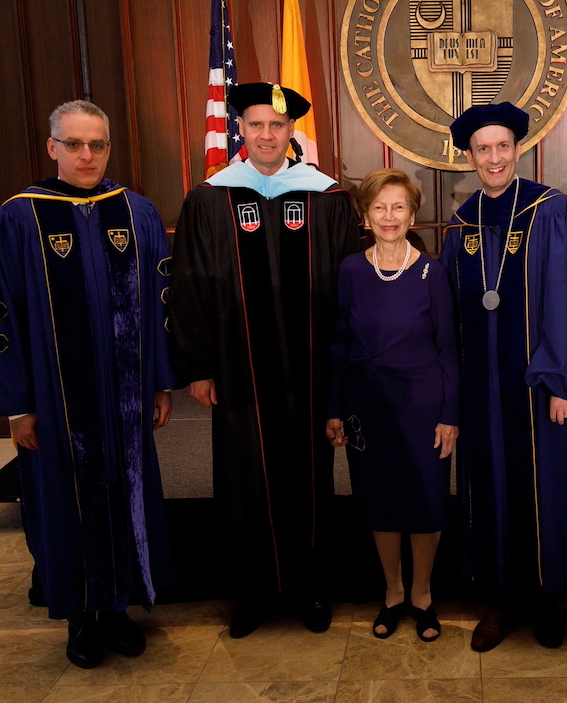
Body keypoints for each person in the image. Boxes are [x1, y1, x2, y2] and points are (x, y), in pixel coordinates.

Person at [0, 100, 176, 669]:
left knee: (124, 491)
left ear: (109, 147)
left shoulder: (136, 212)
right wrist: (15, 406)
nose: (87, 155)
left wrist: (159, 382)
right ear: (52, 147)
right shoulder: (18, 217)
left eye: (98, 144)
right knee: (65, 501)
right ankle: (80, 618)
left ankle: (118, 610)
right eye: (75, 144)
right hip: (55, 404)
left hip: (125, 397)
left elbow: (161, 305)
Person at [169, 82, 362, 638]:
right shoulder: (211, 198)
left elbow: (349, 290)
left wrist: (342, 372)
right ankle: (249, 593)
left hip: (309, 371)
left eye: (277, 126)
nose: (267, 135)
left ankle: (310, 588)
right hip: (237, 368)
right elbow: (189, 284)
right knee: (241, 476)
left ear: (292, 132)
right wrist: (199, 365)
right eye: (256, 125)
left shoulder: (326, 198)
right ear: (241, 130)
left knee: (311, 477)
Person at [442, 102, 567, 652]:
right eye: (482, 149)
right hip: (482, 391)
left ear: (519, 150)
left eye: (502, 147)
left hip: (542, 387)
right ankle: (498, 600)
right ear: (469, 156)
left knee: (550, 490)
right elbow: (447, 313)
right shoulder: (461, 223)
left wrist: (566, 383)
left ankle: (548, 600)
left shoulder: (551, 209)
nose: (493, 157)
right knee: (488, 487)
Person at [325, 169, 458, 642]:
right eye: (379, 207)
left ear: (412, 214)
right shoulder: (350, 270)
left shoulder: (432, 272)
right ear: (365, 215)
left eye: (398, 207)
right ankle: (393, 592)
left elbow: (448, 350)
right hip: (367, 405)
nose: (389, 216)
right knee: (379, 502)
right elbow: (339, 342)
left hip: (423, 405)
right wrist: (334, 407)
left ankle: (422, 594)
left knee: (425, 503)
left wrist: (450, 416)